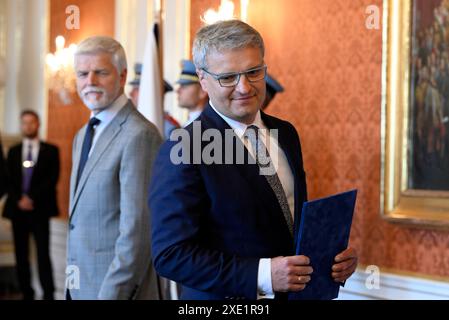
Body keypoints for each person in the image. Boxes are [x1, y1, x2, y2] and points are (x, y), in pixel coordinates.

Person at [149, 20, 358, 300]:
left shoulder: (285, 133)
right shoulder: (184, 146)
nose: (244, 87)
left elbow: (289, 224)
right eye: (228, 77)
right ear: (202, 79)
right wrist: (263, 276)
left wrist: (331, 258)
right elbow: (170, 255)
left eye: (253, 72)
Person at [67, 36, 162, 300]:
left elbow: (137, 233)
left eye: (101, 72)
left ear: (122, 76)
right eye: (83, 74)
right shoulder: (81, 135)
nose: (90, 82)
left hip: (115, 293)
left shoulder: (140, 135)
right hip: (79, 287)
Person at [3, 110, 59, 300]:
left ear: (38, 124)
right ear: (21, 125)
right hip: (18, 211)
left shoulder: (51, 150)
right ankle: (27, 292)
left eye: (31, 122)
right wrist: (20, 199)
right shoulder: (13, 151)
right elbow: (8, 180)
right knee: (21, 255)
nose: (28, 126)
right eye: (24, 123)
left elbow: (52, 179)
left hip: (40, 210)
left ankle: (48, 293)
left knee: (43, 254)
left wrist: (31, 198)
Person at [128, 62, 180, 140]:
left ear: (150, 93)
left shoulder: (169, 129)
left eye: (136, 89)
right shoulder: (131, 121)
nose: (130, 93)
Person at [176, 59, 208, 126]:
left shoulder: (204, 126)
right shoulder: (192, 122)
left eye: (184, 86)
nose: (178, 90)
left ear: (202, 91)